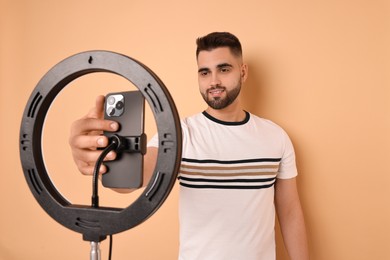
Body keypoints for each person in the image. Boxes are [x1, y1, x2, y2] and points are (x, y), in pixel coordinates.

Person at [69, 32, 309, 259]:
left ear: (243, 71)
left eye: (223, 69)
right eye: (204, 72)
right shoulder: (180, 134)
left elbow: (290, 213)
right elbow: (136, 177)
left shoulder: (276, 137)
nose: (213, 81)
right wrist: (99, 158)